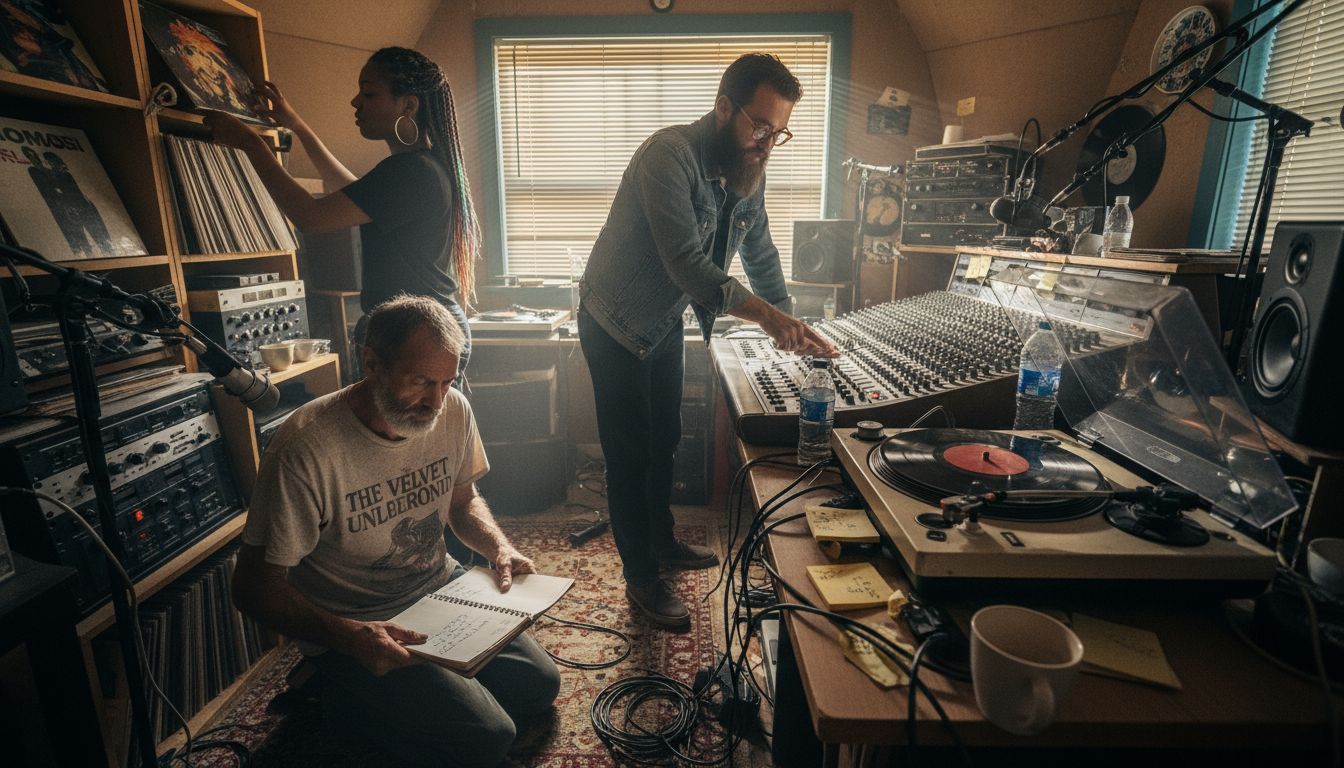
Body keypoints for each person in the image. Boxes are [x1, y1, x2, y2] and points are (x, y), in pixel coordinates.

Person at [232, 295, 560, 768]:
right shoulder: (306, 447)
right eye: (421, 382)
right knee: (489, 738)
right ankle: (331, 689)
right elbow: (252, 588)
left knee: (538, 687)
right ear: (371, 363)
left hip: (438, 591)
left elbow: (462, 502)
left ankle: (383, 697)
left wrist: (498, 547)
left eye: (448, 381)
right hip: (359, 621)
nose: (437, 401)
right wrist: (348, 637)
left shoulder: (453, 410)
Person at [580, 53, 839, 630]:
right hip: (613, 320)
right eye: (759, 126)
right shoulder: (666, 156)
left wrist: (792, 326)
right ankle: (642, 577)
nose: (768, 142)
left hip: (663, 321)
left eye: (779, 131)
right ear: (724, 108)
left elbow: (761, 252)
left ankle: (663, 542)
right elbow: (688, 265)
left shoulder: (749, 168)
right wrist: (769, 319)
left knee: (665, 439)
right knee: (630, 455)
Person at [205, 46, 479, 384]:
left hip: (415, 337)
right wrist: (298, 126)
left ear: (408, 105)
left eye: (369, 92)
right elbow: (347, 189)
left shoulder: (409, 171)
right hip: (427, 331)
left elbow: (311, 216)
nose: (355, 102)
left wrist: (251, 144)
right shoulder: (424, 166)